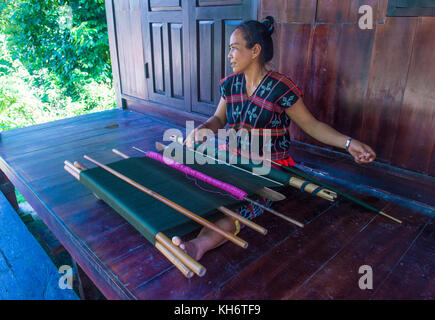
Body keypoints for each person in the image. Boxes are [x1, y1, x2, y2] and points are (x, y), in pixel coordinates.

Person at [172, 16, 376, 261]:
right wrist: (202, 129)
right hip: (232, 160)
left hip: (267, 171)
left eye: (234, 48)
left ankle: (197, 246)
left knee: (237, 207)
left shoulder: (281, 87)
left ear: (255, 51)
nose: (229, 55)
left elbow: (312, 125)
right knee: (202, 188)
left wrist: (348, 143)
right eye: (230, 49)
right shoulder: (231, 85)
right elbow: (218, 119)